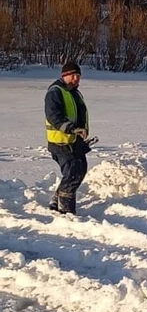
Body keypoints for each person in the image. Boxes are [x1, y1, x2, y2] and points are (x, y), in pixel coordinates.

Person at [45, 61, 95, 215]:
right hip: (60, 141)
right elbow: (54, 116)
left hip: (74, 141)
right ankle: (65, 210)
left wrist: (80, 133)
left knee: (80, 169)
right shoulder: (55, 92)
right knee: (72, 173)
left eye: (78, 76)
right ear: (64, 75)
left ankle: (56, 200)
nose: (76, 79)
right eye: (73, 75)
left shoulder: (73, 92)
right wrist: (72, 129)